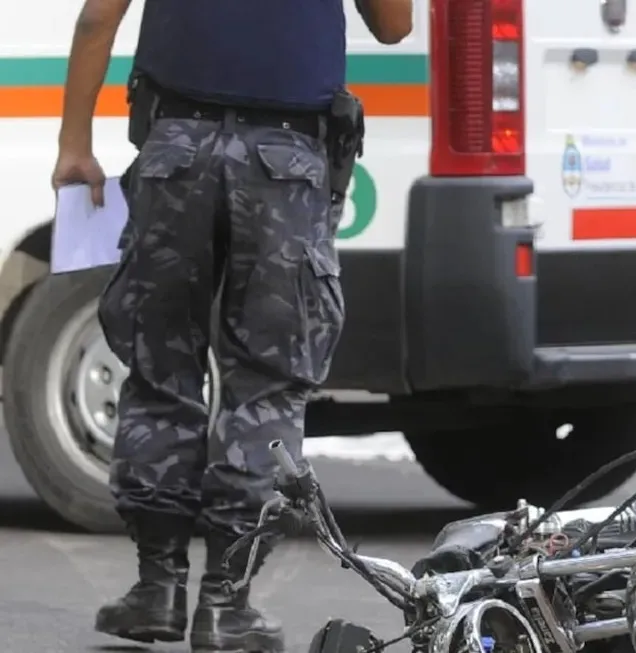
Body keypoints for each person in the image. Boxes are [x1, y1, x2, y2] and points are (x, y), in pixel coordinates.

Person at [51, 0, 412, 650]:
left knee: (160, 366)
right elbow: (395, 25)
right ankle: (226, 601)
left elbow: (96, 18)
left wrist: (73, 144)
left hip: (174, 153)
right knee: (267, 385)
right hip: (285, 161)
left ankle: (157, 586)